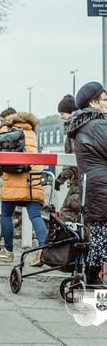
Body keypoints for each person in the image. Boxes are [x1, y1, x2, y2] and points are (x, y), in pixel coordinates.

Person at [0, 112, 47, 266]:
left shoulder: (7, 131)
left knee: (6, 215)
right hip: (33, 178)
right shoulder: (31, 133)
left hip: (13, 179)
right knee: (36, 215)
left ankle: (8, 252)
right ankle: (43, 250)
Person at [64, 81, 107, 287]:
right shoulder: (97, 125)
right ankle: (92, 277)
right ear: (94, 102)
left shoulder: (84, 125)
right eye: (105, 100)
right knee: (101, 235)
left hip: (94, 186)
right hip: (102, 187)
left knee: (100, 233)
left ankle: (92, 276)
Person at [55, 95, 80, 223]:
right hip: (85, 179)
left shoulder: (74, 131)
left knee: (67, 213)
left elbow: (73, 160)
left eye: (62, 113)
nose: (61, 117)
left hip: (80, 181)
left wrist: (60, 179)